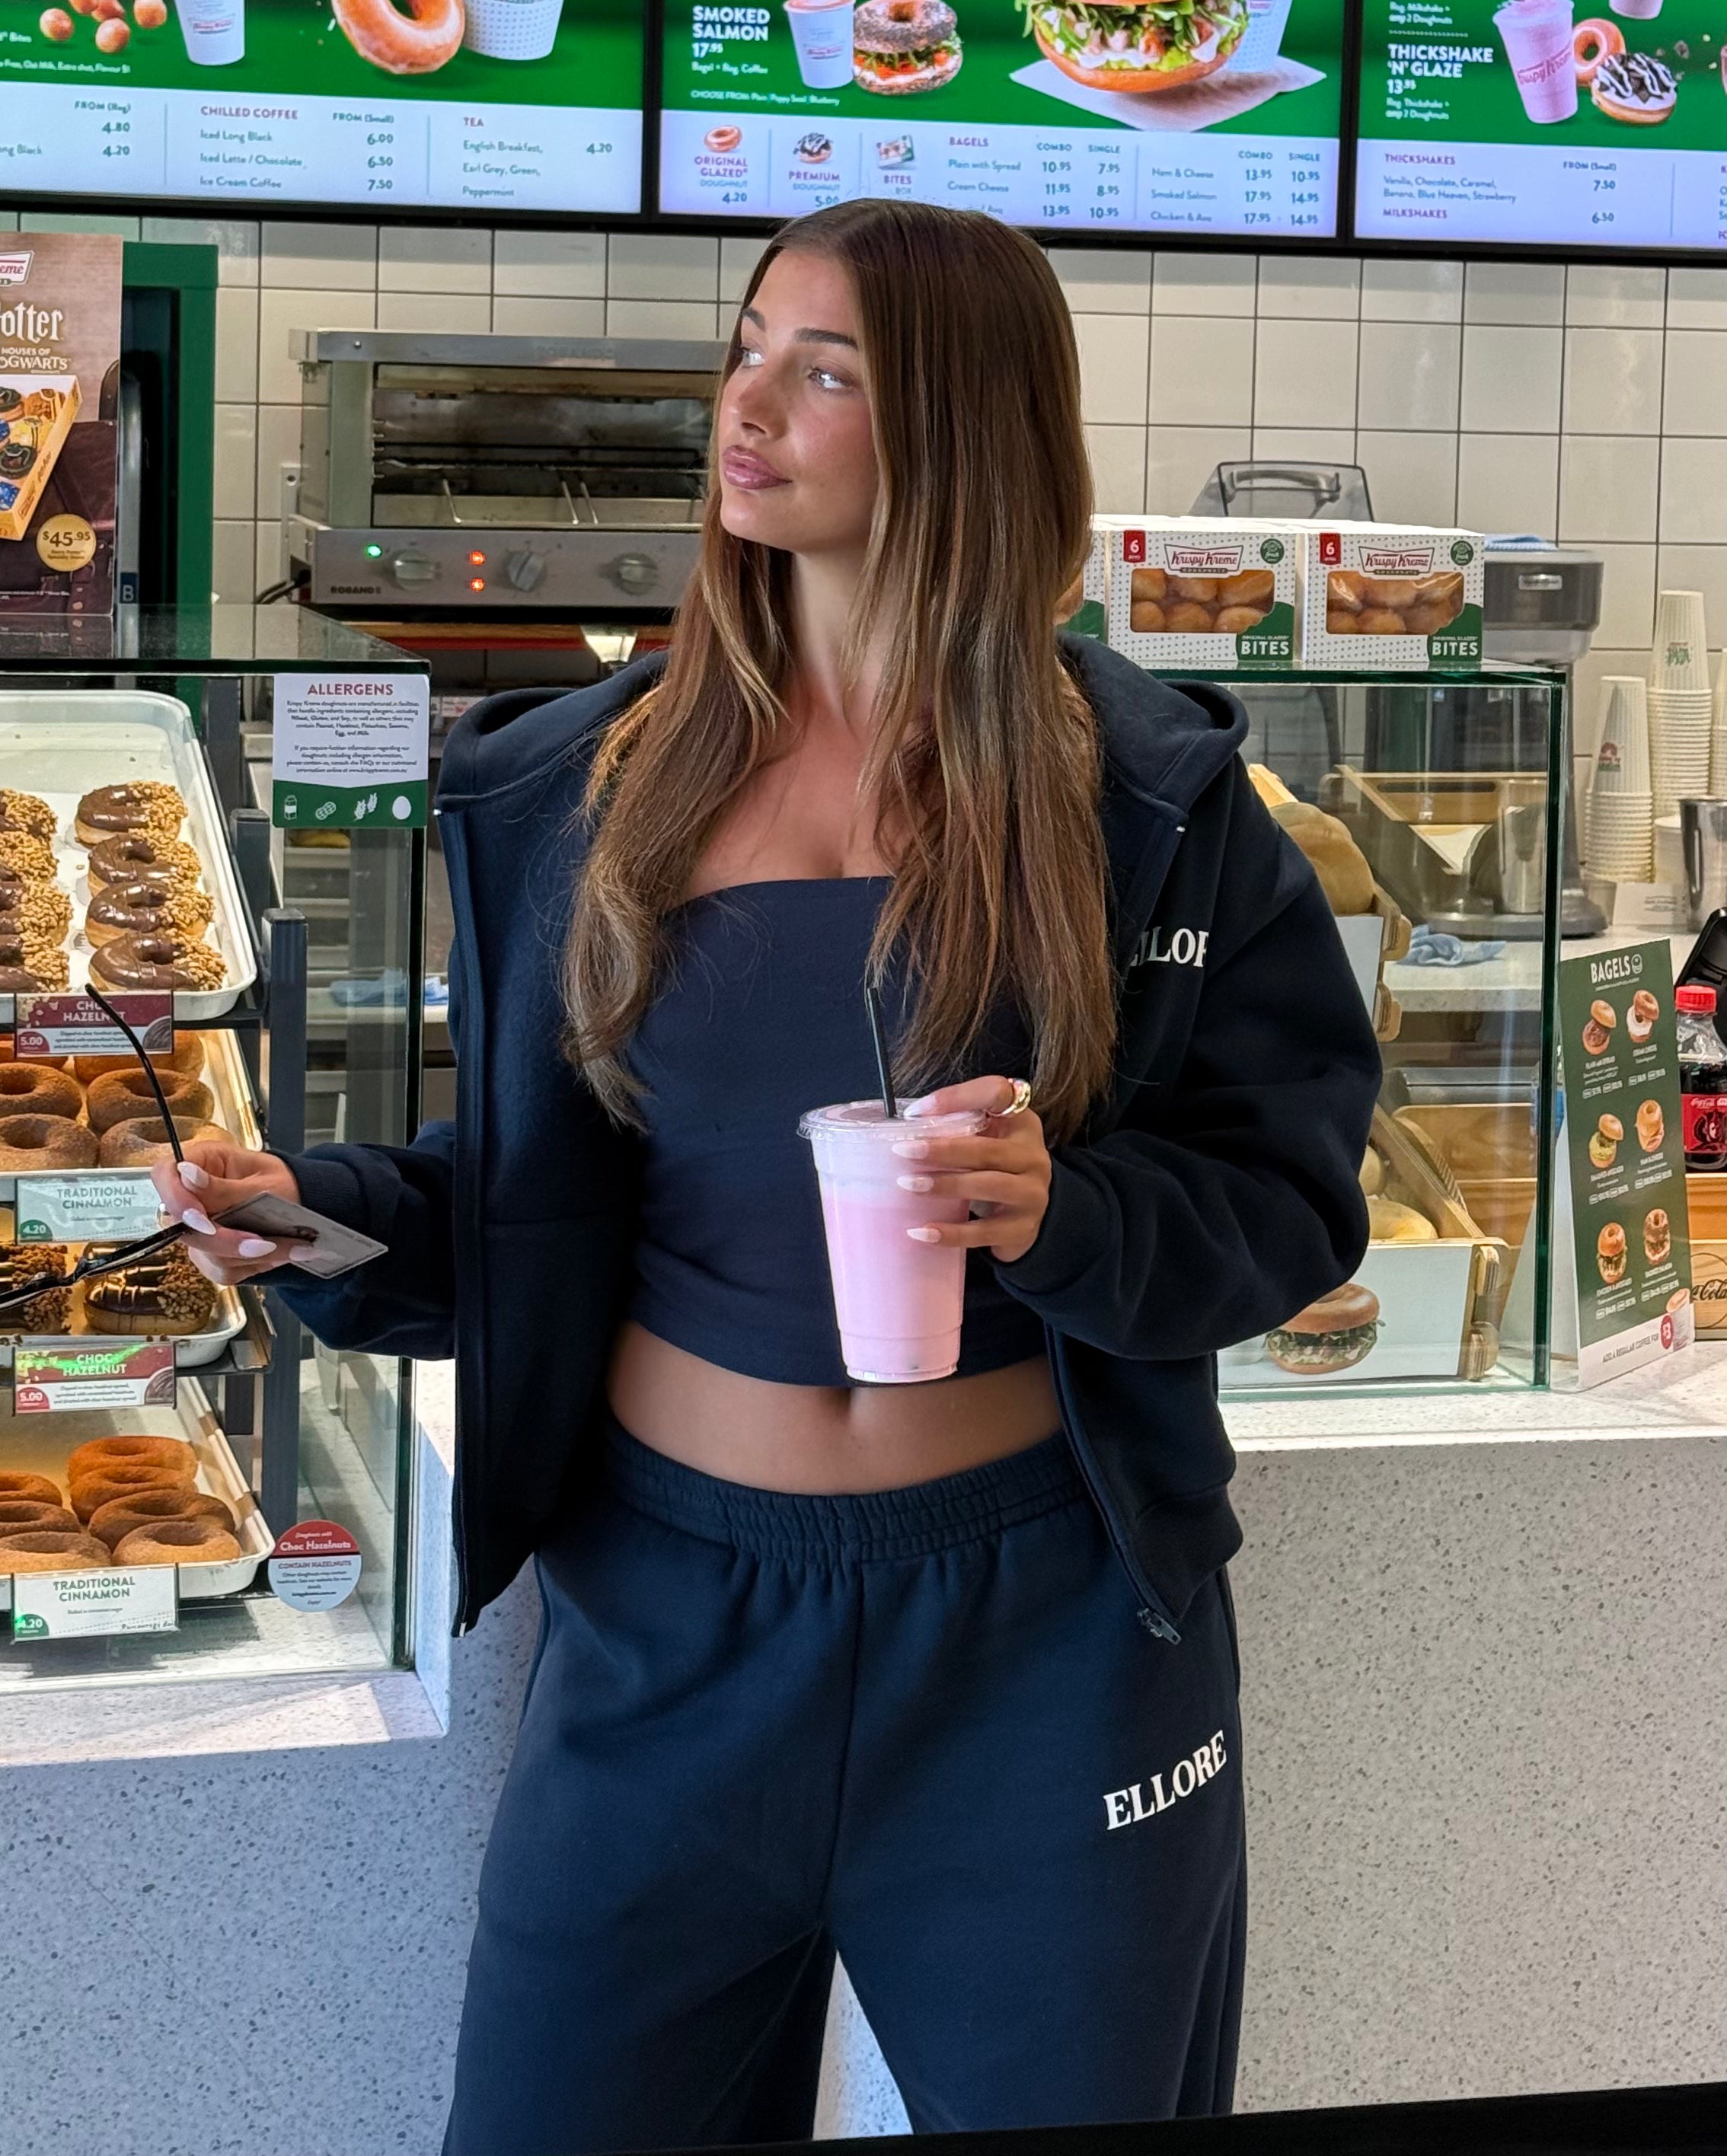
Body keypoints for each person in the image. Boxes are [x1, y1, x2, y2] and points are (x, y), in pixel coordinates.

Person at [161, 199, 1376, 2154]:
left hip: (1044, 1642)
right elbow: (548, 1207)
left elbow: (1291, 1199)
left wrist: (1067, 1215)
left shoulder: (1148, 802)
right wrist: (335, 1220)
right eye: (747, 352)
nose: (745, 409)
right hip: (669, 1625)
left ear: (965, 425)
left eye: (826, 373)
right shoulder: (584, 786)